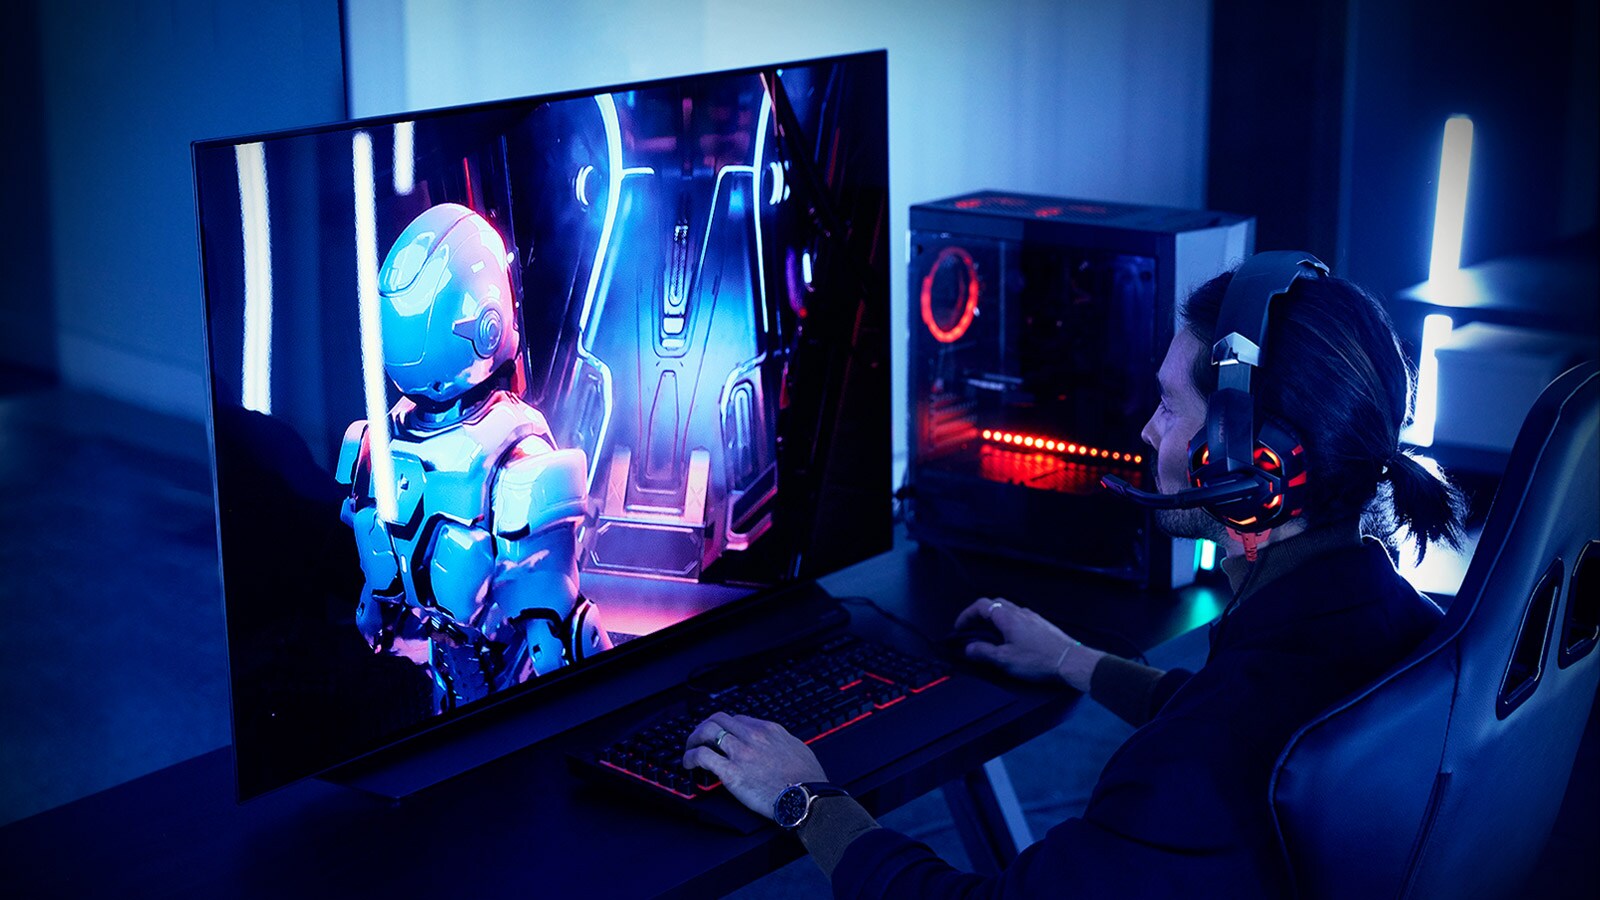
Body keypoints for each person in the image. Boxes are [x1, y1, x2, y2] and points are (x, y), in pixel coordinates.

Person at [679, 261, 1467, 897]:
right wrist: (1074, 660)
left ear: (1245, 466)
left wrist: (806, 799)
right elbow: (1246, 717)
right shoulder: (1394, 618)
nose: (1145, 430)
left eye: (1168, 407)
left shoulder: (1197, 765)